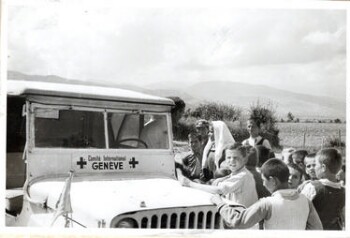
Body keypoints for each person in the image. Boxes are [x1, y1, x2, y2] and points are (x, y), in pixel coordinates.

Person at [211, 158, 323, 230]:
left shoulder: (267, 204)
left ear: (273, 181)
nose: (263, 184)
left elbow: (238, 221)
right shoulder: (305, 201)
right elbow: (317, 229)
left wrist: (220, 203)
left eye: (264, 180)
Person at [180, 143, 258, 208]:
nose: (231, 161)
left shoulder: (243, 176)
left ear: (245, 159)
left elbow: (219, 190)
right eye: (228, 157)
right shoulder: (238, 174)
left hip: (241, 219)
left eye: (235, 158)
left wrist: (190, 184)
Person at [299, 148, 345, 230]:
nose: (314, 168)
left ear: (323, 167)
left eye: (315, 165)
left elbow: (299, 209)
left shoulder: (312, 187)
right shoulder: (343, 190)